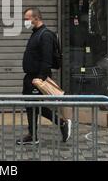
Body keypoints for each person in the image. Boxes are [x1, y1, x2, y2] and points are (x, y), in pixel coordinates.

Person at [16, 8, 72, 145]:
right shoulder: (36, 33)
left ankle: (62, 123)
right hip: (30, 77)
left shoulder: (45, 35)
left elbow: (47, 60)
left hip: (37, 77)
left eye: (27, 19)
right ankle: (33, 135)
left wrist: (40, 78)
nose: (25, 22)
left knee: (35, 105)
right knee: (31, 105)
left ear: (36, 18)